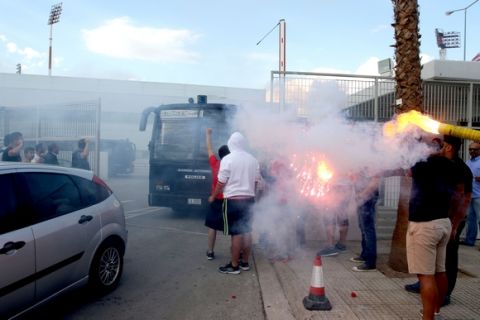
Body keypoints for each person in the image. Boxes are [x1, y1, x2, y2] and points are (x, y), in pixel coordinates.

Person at [404, 136, 472, 307]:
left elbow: (465, 198)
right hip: (444, 222)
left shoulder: (427, 164)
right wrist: (452, 225)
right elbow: (461, 196)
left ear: (448, 147)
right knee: (438, 269)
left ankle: (435, 308)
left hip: (432, 223)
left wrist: (455, 224)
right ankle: (435, 307)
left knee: (434, 270)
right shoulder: (453, 167)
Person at [208, 132, 261, 274]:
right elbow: (256, 182)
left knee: (236, 233)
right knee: (247, 231)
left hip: (232, 201)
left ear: (231, 143)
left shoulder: (228, 159)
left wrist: (213, 196)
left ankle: (234, 265)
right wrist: (252, 194)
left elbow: (221, 182)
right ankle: (245, 262)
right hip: (249, 200)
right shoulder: (253, 160)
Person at [204, 128, 230, 260]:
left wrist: (208, 135)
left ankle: (210, 251)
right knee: (234, 228)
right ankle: (237, 254)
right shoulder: (232, 165)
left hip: (215, 200)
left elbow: (209, 148)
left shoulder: (215, 163)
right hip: (229, 200)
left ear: (219, 155)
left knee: (212, 226)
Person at [316, 174, 354, 257]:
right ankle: (342, 244)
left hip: (336, 188)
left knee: (329, 215)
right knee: (343, 215)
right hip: (347, 187)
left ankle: (330, 246)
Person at [350, 170, 380, 271]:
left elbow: (375, 181)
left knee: (368, 229)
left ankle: (370, 263)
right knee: (363, 227)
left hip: (367, 197)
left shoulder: (373, 162)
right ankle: (365, 255)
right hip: (362, 197)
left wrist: (363, 194)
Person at [461, 141, 480, 246]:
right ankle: (470, 240)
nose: (472, 151)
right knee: (470, 220)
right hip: (470, 195)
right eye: (470, 149)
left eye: (475, 149)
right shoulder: (468, 162)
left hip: (479, 196)